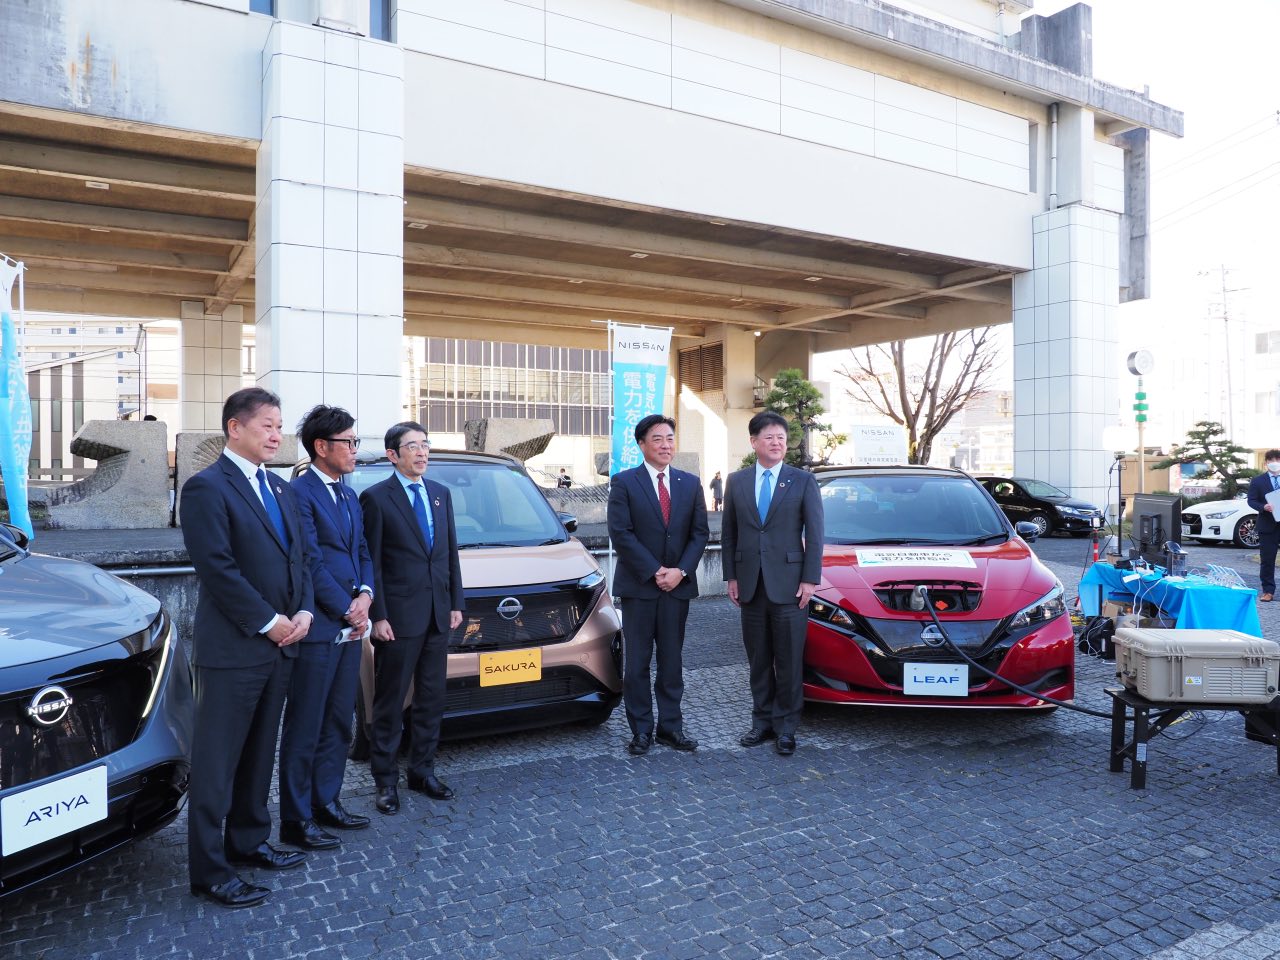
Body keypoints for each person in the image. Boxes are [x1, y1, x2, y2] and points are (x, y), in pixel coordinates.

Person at [180, 387, 314, 909]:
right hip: (235, 648)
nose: (277, 435)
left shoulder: (282, 489)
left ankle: (250, 841)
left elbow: (298, 558)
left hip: (283, 644)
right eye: (267, 426)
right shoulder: (206, 488)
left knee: (260, 753)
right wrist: (268, 621)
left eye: (281, 427)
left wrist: (301, 611)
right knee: (218, 764)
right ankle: (210, 871)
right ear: (235, 428)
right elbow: (216, 568)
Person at [278, 405, 375, 851]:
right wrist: (346, 608)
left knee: (339, 719)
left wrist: (367, 596)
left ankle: (327, 801)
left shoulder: (349, 494)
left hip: (350, 627)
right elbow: (309, 561)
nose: (355, 450)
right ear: (322, 447)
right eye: (349, 443)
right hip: (319, 628)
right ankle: (296, 818)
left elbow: (362, 553)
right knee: (306, 723)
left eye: (356, 442)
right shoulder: (299, 493)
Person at [360, 422, 464, 815]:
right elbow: (373, 563)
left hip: (439, 615)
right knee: (389, 702)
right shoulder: (376, 499)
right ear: (392, 455)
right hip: (397, 621)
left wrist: (456, 601)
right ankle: (385, 781)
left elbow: (448, 553)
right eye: (412, 447)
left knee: (431, 699)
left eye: (426, 445)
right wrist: (378, 616)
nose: (422, 453)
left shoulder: (440, 494)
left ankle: (422, 771)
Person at [720, 411, 823, 757]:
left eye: (781, 437)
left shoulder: (802, 481)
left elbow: (816, 533)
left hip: (791, 586)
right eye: (769, 437)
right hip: (750, 585)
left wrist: (810, 579)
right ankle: (761, 721)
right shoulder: (736, 481)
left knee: (789, 659)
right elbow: (729, 533)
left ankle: (787, 726)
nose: (777, 442)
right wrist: (731, 576)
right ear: (753, 442)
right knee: (758, 658)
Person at [607, 414, 709, 756]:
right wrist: (655, 571)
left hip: (677, 587)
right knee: (636, 664)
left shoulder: (690, 483)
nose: (666, 445)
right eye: (657, 439)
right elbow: (621, 533)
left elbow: (699, 534)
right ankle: (641, 731)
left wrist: (680, 570)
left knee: (671, 661)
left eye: (669, 438)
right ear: (641, 444)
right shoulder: (624, 482)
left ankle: (671, 728)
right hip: (639, 587)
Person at [1246, 448, 1280, 601]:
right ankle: (1268, 591)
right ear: (1266, 463)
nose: (1275, 463)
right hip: (1267, 525)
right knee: (1267, 560)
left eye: (1277, 460)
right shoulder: (1258, 481)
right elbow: (1251, 500)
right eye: (1271, 461)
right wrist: (1263, 507)